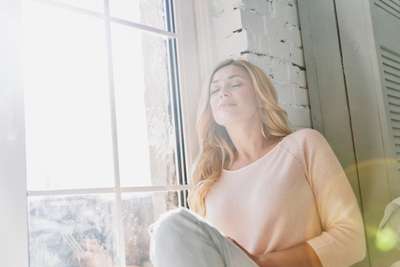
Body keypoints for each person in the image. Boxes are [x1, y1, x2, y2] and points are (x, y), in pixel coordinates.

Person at [148, 58, 367, 267]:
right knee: (168, 229)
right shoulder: (209, 176)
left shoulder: (304, 145)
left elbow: (352, 240)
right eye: (214, 90)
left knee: (172, 223)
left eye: (235, 84)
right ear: (211, 109)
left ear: (260, 96)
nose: (223, 93)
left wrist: (260, 262)